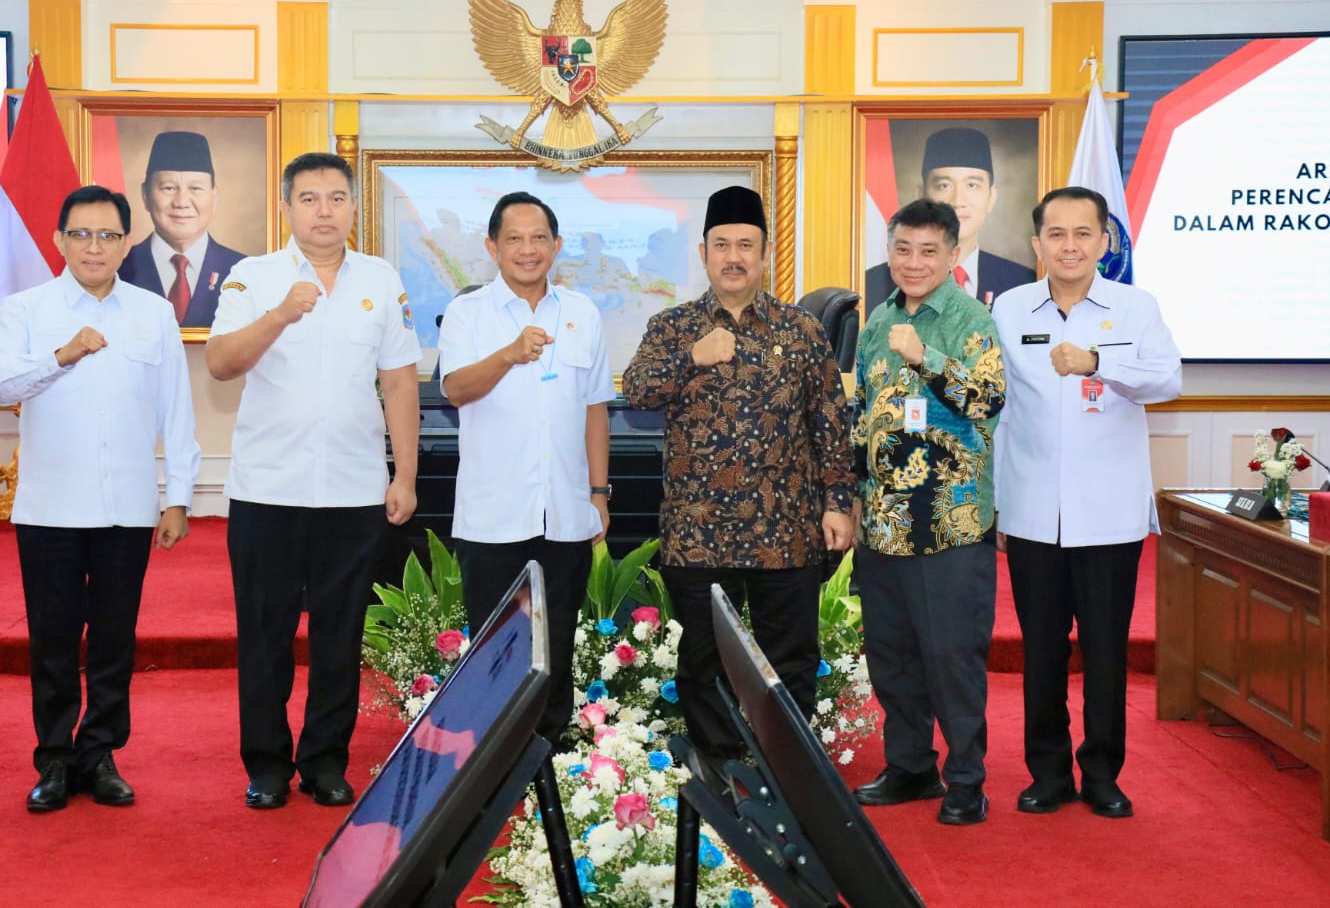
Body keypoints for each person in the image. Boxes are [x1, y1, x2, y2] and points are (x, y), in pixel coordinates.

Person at [205, 150, 421, 811]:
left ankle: (325, 761)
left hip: (354, 489)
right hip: (268, 489)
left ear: (353, 207)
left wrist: (405, 475)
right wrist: (278, 315)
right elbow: (220, 363)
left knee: (340, 635)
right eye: (308, 198)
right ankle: (267, 764)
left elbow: (399, 382)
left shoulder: (381, 279)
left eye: (335, 198)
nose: (323, 211)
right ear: (285, 208)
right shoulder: (252, 277)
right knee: (265, 634)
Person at [0, 184, 200, 814]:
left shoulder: (152, 313)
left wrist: (178, 498)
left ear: (127, 244)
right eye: (81, 234)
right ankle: (53, 760)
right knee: (52, 641)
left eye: (108, 235)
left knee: (113, 641)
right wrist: (62, 355)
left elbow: (176, 410)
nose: (94, 247)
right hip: (50, 507)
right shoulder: (25, 310)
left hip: (127, 507)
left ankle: (99, 754)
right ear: (59, 240)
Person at [623, 185, 855, 767]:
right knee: (703, 666)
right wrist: (692, 359)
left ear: (765, 252)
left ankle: (789, 775)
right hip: (699, 534)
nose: (734, 257)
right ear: (703, 253)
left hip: (786, 530)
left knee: (791, 662)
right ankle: (720, 777)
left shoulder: (801, 330)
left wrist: (838, 502)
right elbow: (637, 390)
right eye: (722, 245)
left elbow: (830, 421)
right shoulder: (672, 326)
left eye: (746, 245)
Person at [991, 185, 1181, 820]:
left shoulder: (1134, 306)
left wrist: (1099, 361)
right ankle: (1047, 773)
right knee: (1042, 652)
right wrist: (998, 504)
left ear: (1104, 241)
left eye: (1082, 234)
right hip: (1032, 512)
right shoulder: (1009, 309)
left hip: (1108, 514)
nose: (1069, 246)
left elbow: (1168, 379)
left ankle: (1102, 773)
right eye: (1056, 234)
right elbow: (999, 413)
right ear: (1037, 243)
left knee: (1105, 651)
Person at [438, 191, 615, 745]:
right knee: (495, 649)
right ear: (492, 247)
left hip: (564, 512)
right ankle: (496, 757)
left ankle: (548, 752)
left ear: (556, 246)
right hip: (493, 515)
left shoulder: (581, 313)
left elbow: (595, 409)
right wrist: (508, 355)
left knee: (556, 644)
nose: (527, 249)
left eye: (539, 238)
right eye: (513, 238)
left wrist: (599, 493)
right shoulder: (469, 313)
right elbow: (454, 389)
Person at [852, 197, 1006, 826]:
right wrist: (854, 496)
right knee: (892, 658)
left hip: (951, 524)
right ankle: (910, 767)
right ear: (889, 252)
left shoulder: (972, 320)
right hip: (884, 522)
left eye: (928, 251)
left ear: (952, 255)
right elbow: (863, 413)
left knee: (952, 659)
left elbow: (988, 400)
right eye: (902, 249)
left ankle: (967, 780)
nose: (913, 262)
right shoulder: (876, 321)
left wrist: (926, 358)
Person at [864, 126, 1036, 308]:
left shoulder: (1022, 282)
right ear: (922, 196)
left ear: (991, 198)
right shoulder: (871, 284)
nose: (958, 201)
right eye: (944, 186)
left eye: (972, 185)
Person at [118, 130, 247, 327]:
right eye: (168, 188)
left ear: (214, 196)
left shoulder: (244, 270)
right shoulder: (118, 268)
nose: (181, 202)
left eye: (195, 189)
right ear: (145, 196)